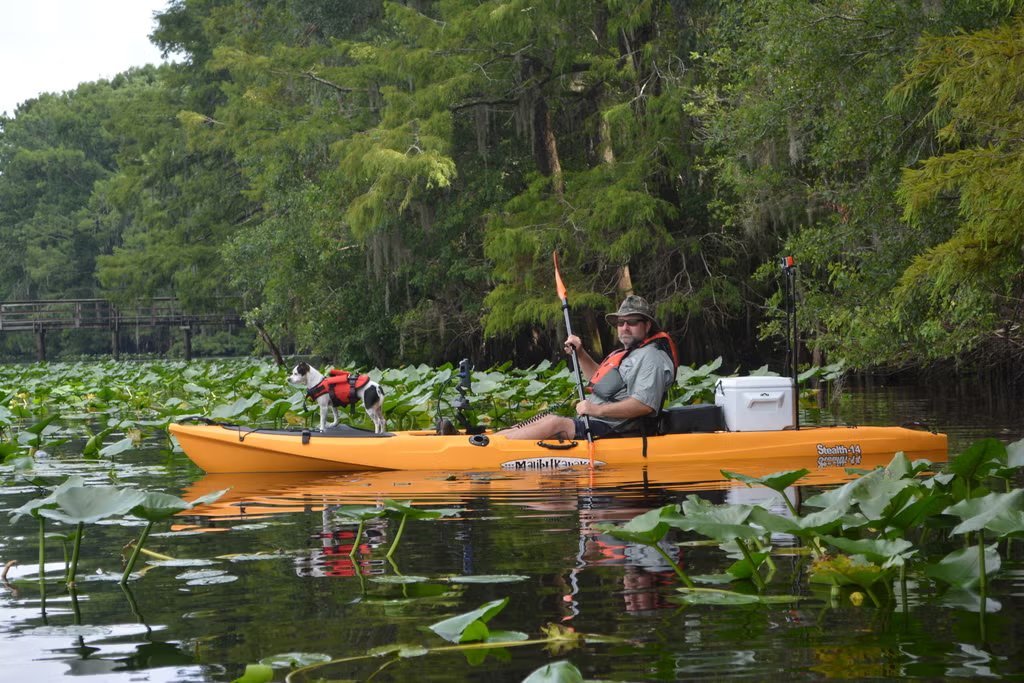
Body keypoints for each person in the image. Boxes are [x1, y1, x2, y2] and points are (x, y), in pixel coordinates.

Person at [501, 295, 677, 440]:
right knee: (547, 418)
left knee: (556, 424)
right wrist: (580, 353)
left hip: (618, 431)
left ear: (647, 326)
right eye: (620, 323)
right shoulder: (628, 354)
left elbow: (644, 405)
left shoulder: (651, 357)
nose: (625, 328)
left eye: (632, 322)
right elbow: (600, 381)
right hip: (598, 423)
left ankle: (499, 450)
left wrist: (596, 409)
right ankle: (495, 441)